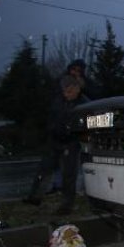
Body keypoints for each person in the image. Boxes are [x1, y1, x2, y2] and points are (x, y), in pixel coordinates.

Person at [24, 75, 88, 216]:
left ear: (77, 88)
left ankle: (66, 205)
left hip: (71, 143)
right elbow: (51, 117)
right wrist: (51, 130)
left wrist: (73, 135)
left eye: (70, 91)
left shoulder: (84, 104)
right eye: (65, 91)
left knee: (68, 175)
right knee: (44, 170)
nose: (67, 94)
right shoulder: (57, 100)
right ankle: (35, 197)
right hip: (54, 141)